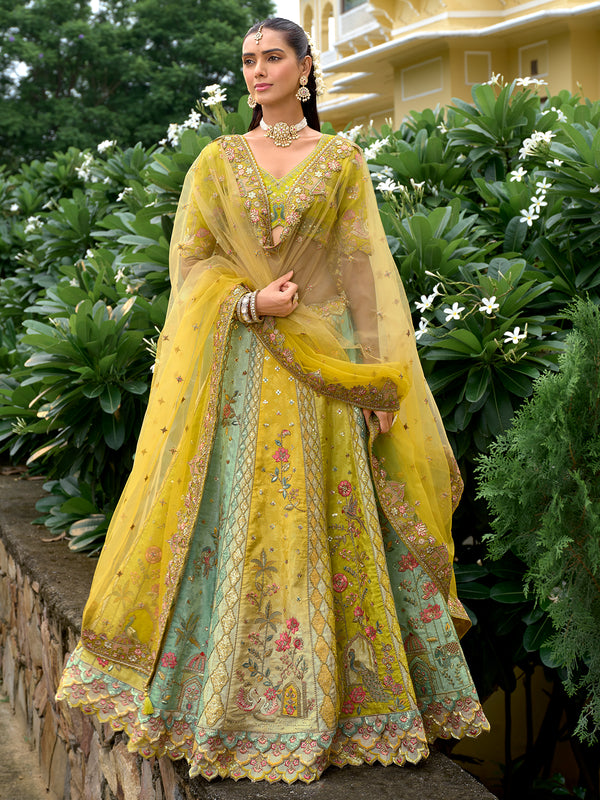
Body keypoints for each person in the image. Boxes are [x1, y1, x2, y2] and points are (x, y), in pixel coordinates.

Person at [57, 16, 489, 784]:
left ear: (306, 67)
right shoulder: (216, 162)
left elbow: (363, 275)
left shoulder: (342, 160)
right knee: (230, 522)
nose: (258, 71)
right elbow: (190, 274)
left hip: (324, 380)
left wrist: (380, 377)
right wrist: (253, 304)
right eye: (249, 60)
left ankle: (344, 707)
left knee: (329, 522)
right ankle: (207, 703)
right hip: (239, 374)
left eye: (273, 58)